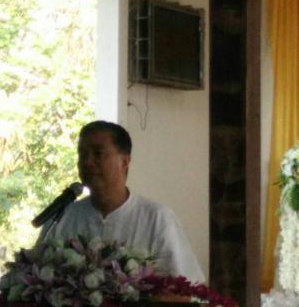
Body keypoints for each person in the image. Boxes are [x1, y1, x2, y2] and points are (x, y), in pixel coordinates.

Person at [39, 120, 205, 283]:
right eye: (82, 155)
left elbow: (189, 286)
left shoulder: (157, 218)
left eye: (98, 154)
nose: (88, 162)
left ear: (125, 161)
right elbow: (36, 277)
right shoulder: (62, 217)